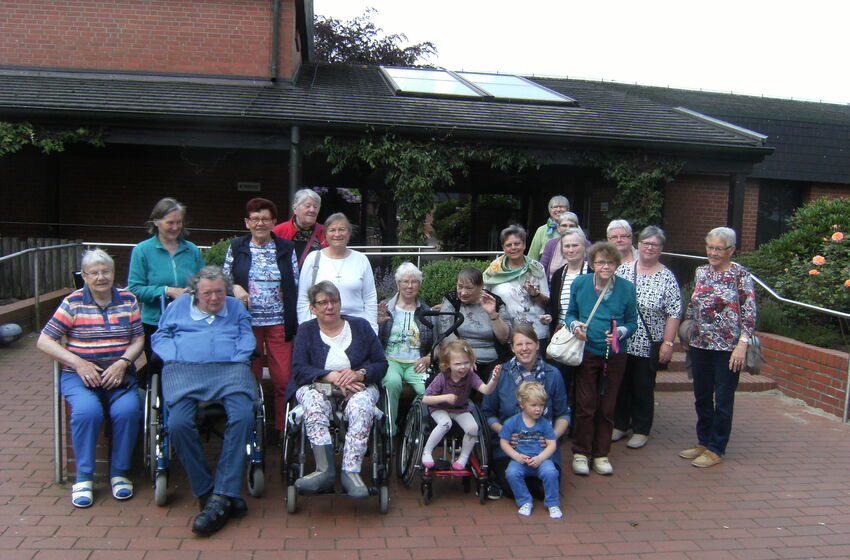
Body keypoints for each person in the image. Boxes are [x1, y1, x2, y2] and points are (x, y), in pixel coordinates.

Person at [152, 266, 257, 536]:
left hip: (229, 370)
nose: (214, 298)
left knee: (244, 415)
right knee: (177, 424)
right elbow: (161, 335)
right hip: (185, 371)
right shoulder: (179, 306)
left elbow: (247, 335)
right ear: (195, 293)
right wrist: (174, 357)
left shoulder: (235, 307)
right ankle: (209, 492)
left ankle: (221, 492)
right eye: (207, 293)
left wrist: (238, 358)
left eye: (219, 292)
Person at [37, 249, 143, 508]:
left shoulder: (128, 300)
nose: (100, 277)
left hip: (118, 374)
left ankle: (119, 473)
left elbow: (138, 339)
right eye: (94, 273)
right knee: (87, 412)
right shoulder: (73, 302)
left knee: (128, 411)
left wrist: (123, 363)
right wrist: (79, 363)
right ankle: (83, 477)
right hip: (79, 376)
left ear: (113, 273)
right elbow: (44, 340)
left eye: (105, 271)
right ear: (84, 276)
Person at [291, 281, 388, 498]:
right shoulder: (306, 331)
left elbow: (381, 363)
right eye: (323, 302)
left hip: (358, 387)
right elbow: (298, 370)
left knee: (362, 407)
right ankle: (324, 470)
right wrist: (330, 375)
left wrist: (360, 373)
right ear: (312, 308)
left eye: (334, 301)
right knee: (313, 404)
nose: (329, 306)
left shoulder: (361, 326)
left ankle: (350, 473)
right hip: (318, 386)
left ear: (340, 304)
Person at [680, 227, 756, 468]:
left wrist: (742, 345)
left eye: (718, 249)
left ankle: (716, 448)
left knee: (723, 399)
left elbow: (749, 313)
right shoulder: (701, 271)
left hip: (727, 348)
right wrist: (687, 329)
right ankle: (704, 442)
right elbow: (693, 303)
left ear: (731, 250)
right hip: (700, 343)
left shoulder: (740, 275)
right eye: (710, 247)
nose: (713, 253)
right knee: (701, 396)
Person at [222, 197, 299, 437]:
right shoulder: (237, 246)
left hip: (279, 322)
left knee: (283, 378)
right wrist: (234, 288)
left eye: (265, 219)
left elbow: (295, 282)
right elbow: (224, 279)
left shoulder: (286, 248)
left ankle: (282, 429)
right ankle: (253, 426)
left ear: (274, 222)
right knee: (250, 377)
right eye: (255, 219)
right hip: (247, 323)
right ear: (247, 222)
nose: (260, 224)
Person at [566, 241, 637, 476]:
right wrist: (576, 327)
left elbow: (632, 322)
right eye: (600, 262)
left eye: (610, 262)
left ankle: (601, 454)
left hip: (614, 355)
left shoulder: (626, 288)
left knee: (607, 406)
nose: (605, 266)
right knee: (585, 404)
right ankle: (580, 452)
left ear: (617, 264)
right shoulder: (580, 283)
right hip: (587, 352)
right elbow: (570, 314)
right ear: (592, 264)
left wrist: (620, 332)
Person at [482, 325, 570, 500]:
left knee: (545, 489)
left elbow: (563, 414)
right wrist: (504, 432)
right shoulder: (500, 374)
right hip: (510, 447)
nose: (524, 348)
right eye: (519, 344)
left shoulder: (553, 374)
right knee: (512, 486)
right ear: (512, 348)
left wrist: (551, 437)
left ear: (537, 345)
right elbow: (487, 413)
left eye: (529, 343)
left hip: (542, 447)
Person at [613, 226, 682, 449]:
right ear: (638, 244)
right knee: (621, 384)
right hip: (623, 341)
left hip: (648, 343)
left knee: (642, 387)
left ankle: (641, 429)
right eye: (645, 243)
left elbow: (674, 312)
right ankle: (620, 424)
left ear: (661, 248)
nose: (649, 248)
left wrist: (668, 343)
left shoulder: (667, 277)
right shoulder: (623, 270)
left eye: (654, 244)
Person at [128, 197, 204, 388]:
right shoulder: (142, 251)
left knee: (188, 368)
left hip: (188, 321)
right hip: (155, 322)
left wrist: (194, 290)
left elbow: (202, 282)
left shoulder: (191, 250)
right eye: (170, 222)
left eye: (179, 222)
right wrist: (166, 290)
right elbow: (135, 289)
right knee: (160, 368)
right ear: (156, 222)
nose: (175, 227)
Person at [421, 340, 500, 470]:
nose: (462, 367)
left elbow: (486, 390)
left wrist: (494, 380)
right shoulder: (442, 377)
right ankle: (427, 451)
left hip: (460, 409)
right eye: (457, 364)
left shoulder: (471, 376)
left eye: (466, 363)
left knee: (473, 428)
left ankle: (463, 457)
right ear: (448, 364)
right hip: (439, 408)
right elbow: (425, 399)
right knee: (445, 423)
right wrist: (445, 397)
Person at [297, 213, 378, 334]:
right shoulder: (313, 258)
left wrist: (372, 330)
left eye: (342, 229)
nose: (337, 234)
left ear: (349, 233)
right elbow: (303, 297)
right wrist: (306, 328)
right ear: (325, 234)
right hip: (321, 327)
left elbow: (370, 298)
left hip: (356, 327)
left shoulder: (361, 259)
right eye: (332, 230)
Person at [377, 262, 434, 436]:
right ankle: (390, 430)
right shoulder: (385, 307)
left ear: (420, 285)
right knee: (392, 383)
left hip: (416, 363)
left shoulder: (427, 311)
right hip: (390, 360)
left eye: (414, 281)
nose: (409, 286)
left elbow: (437, 342)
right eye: (405, 281)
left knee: (427, 391)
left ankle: (411, 420)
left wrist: (428, 358)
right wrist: (378, 323)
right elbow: (371, 339)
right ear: (397, 284)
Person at [499, 381, 562, 519]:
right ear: (522, 404)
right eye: (533, 405)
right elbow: (504, 442)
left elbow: (552, 444)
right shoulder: (512, 422)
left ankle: (552, 503)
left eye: (541, 405)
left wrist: (540, 458)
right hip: (521, 460)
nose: (538, 409)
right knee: (511, 473)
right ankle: (525, 501)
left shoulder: (545, 424)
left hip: (541, 459)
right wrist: (516, 456)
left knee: (551, 473)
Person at [437, 266, 511, 382]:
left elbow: (504, 338)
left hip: (493, 358)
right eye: (460, 286)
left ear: (481, 286)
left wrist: (492, 314)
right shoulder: (452, 300)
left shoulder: (494, 301)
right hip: (460, 356)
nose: (463, 292)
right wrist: (465, 357)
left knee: (498, 378)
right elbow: (446, 334)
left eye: (469, 288)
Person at [484, 225, 551, 351]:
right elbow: (483, 295)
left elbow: (547, 303)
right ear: (503, 247)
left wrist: (535, 294)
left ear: (524, 245)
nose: (513, 248)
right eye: (509, 245)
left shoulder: (536, 268)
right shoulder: (494, 269)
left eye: (517, 243)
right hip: (506, 333)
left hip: (535, 333)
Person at [272, 188, 327, 269]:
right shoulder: (278, 231)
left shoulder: (326, 232)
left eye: (315, 207)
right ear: (295, 208)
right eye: (307, 206)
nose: (312, 210)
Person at [539, 212, 581, 280]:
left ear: (577, 228)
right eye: (564, 225)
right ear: (558, 228)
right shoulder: (551, 244)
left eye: (571, 226)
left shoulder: (585, 244)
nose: (568, 228)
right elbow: (542, 268)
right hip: (552, 285)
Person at [527, 195, 570, 261]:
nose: (558, 209)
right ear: (549, 210)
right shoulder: (541, 230)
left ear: (568, 210)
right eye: (555, 207)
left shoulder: (575, 228)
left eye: (562, 207)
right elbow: (532, 257)